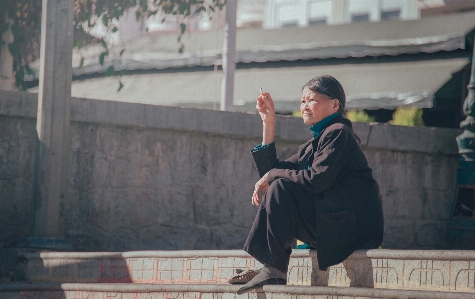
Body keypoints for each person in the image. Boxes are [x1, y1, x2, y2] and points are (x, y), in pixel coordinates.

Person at [232, 75, 384, 294]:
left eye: (311, 100)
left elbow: (315, 180)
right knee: (278, 184)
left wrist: (273, 176)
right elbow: (272, 171)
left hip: (353, 227)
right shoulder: (318, 140)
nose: (304, 106)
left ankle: (274, 268)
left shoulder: (339, 134)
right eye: (302, 101)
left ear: (335, 105)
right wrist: (269, 122)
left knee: (280, 186)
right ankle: (272, 266)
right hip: (333, 220)